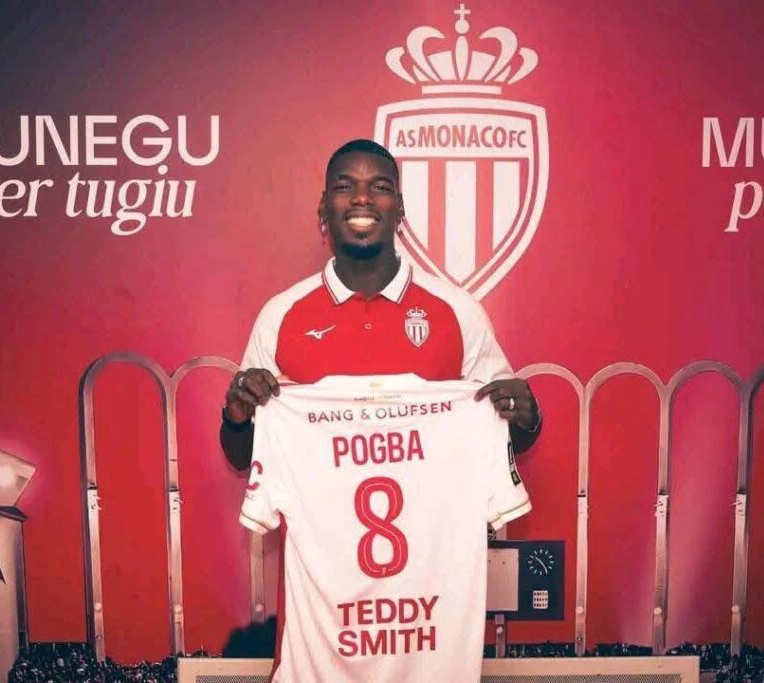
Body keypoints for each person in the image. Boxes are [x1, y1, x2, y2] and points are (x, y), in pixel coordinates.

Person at [220, 139, 540, 470]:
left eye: (380, 187)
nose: (362, 198)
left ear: (400, 209)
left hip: (435, 505)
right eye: (345, 186)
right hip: (316, 506)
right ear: (324, 208)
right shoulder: (280, 315)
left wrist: (528, 418)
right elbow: (242, 457)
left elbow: (508, 435)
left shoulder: (457, 311)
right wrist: (236, 419)